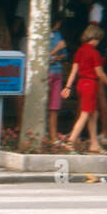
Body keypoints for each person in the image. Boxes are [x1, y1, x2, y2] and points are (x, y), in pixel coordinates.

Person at [61, 24, 107, 155]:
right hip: (90, 84)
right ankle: (71, 142)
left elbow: (73, 71)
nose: (98, 42)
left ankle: (94, 144)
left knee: (94, 114)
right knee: (85, 114)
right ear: (94, 38)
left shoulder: (79, 51)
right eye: (98, 39)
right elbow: (100, 73)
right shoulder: (94, 53)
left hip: (81, 83)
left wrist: (68, 86)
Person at [47, 15, 68, 147]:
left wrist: (58, 56)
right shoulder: (42, 35)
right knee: (43, 104)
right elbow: (43, 57)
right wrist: (56, 51)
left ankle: (53, 135)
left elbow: (65, 54)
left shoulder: (58, 34)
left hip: (57, 72)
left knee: (54, 106)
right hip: (46, 73)